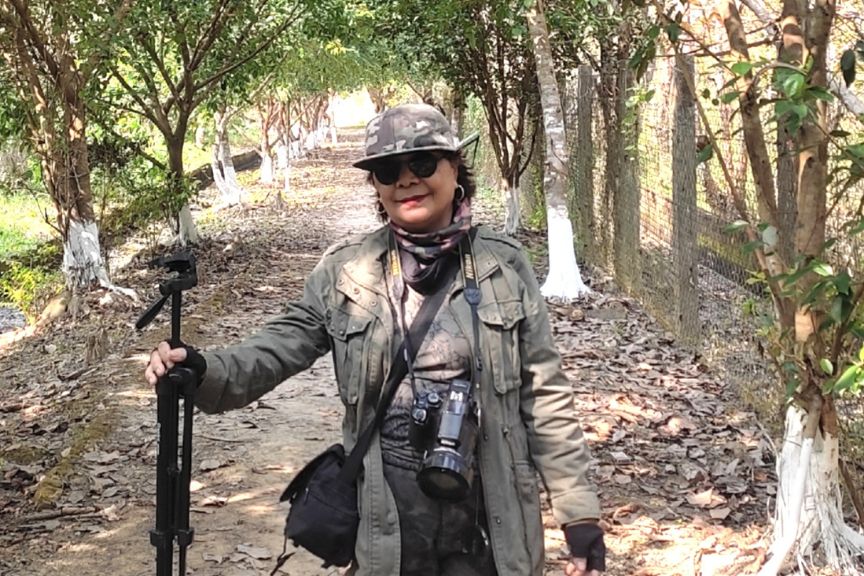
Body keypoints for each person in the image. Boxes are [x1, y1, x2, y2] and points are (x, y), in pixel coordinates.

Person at [145, 103, 606, 576]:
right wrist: (204, 369)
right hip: (388, 525)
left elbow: (545, 394)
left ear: (454, 169)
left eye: (423, 164)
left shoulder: (504, 267)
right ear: (377, 187)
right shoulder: (347, 271)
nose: (407, 180)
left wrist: (579, 514)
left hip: (490, 519)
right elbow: (278, 346)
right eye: (388, 171)